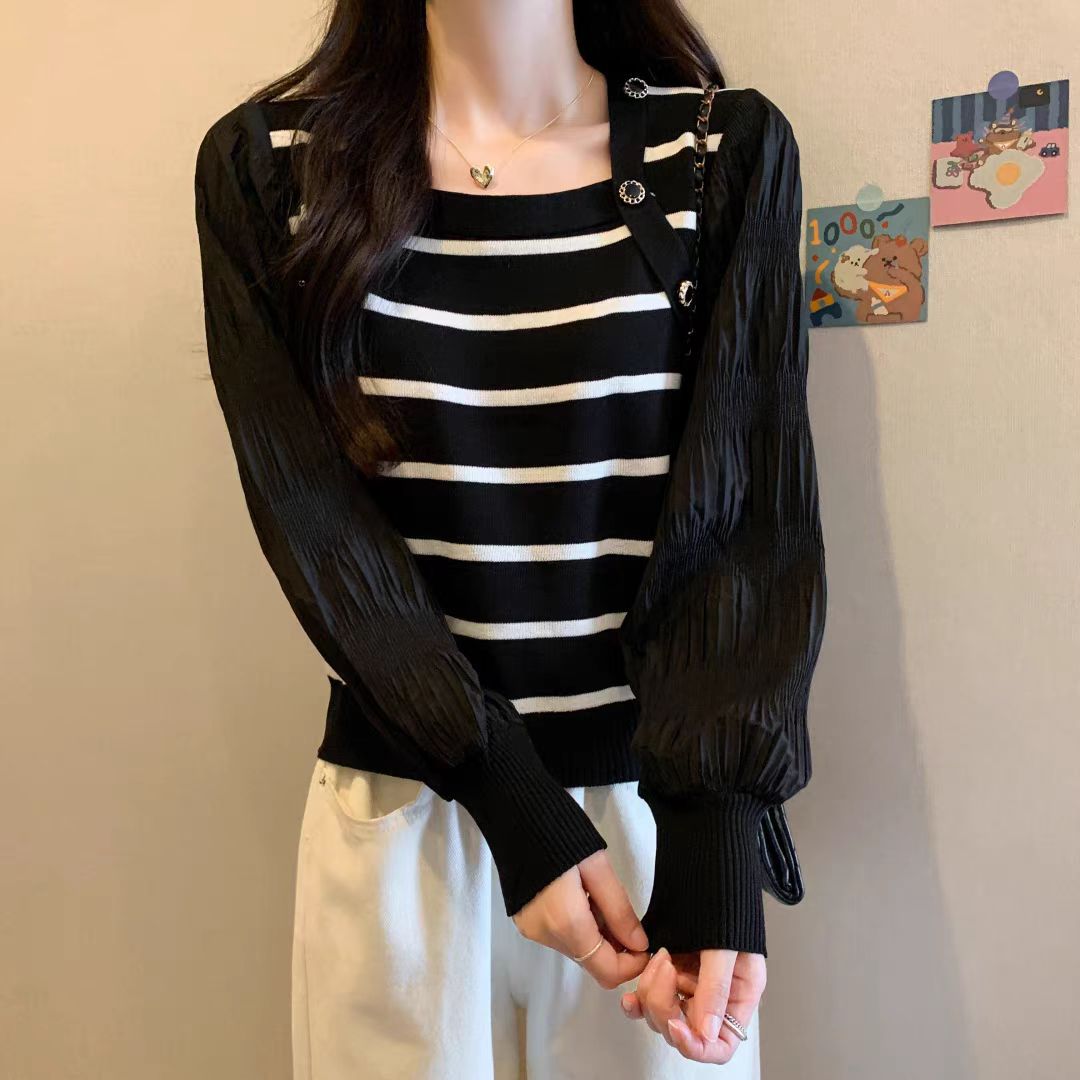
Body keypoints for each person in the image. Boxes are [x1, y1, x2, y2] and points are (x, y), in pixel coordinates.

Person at [192, 1, 827, 1076]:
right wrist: (504, 794)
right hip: (408, 825)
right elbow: (312, 521)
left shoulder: (720, 150)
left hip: (651, 829)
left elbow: (748, 512)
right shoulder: (269, 167)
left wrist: (717, 836)